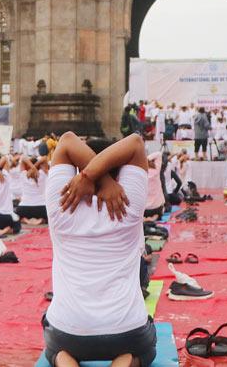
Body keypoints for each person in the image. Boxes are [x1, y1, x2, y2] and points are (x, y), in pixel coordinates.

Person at [42, 131, 156, 367]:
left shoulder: (59, 205)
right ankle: (124, 360)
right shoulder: (129, 205)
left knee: (53, 343)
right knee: (147, 346)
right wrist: (101, 178)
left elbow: (67, 141)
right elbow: (135, 142)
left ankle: (64, 359)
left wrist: (89, 177)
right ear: (121, 172)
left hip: (69, 333)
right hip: (126, 332)